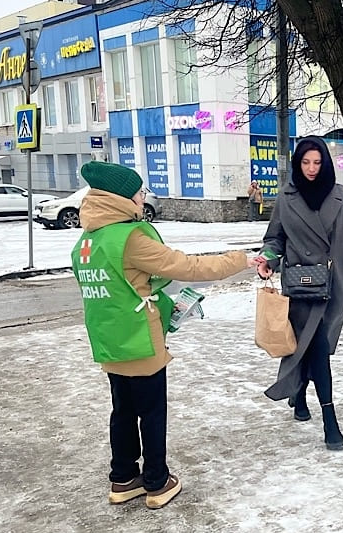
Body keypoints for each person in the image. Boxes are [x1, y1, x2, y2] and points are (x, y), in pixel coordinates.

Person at [71, 160, 254, 509]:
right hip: (140, 339)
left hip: (109, 339)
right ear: (122, 198)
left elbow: (120, 284)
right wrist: (240, 260)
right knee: (152, 412)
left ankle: (123, 478)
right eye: (139, 193)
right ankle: (157, 481)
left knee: (122, 410)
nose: (143, 199)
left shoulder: (89, 239)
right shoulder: (131, 238)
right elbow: (188, 267)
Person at [250, 136, 343, 450]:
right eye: (305, 162)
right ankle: (331, 422)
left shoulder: (341, 197)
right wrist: (268, 260)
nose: (311, 169)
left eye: (317, 162)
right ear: (297, 163)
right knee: (315, 348)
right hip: (301, 286)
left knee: (313, 345)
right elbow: (275, 238)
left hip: (332, 286)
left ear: (325, 163)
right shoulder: (287, 198)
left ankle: (299, 393)